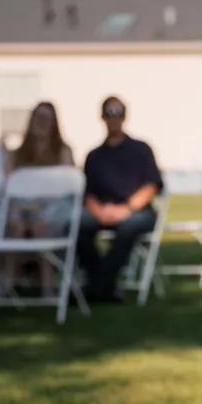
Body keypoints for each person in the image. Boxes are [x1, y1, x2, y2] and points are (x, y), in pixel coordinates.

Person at [77, 96, 162, 303]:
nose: (113, 118)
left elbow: (151, 186)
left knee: (129, 227)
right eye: (109, 113)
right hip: (101, 210)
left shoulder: (141, 149)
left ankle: (95, 286)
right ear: (102, 117)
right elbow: (87, 194)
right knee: (76, 225)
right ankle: (105, 287)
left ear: (125, 117)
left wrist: (126, 209)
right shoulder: (94, 155)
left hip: (136, 211)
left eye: (118, 113)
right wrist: (99, 210)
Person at [4, 101, 75, 295]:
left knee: (41, 224)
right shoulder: (17, 154)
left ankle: (47, 283)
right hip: (22, 206)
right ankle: (9, 282)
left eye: (47, 118)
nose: (42, 122)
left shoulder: (62, 151)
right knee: (13, 224)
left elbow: (65, 186)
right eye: (38, 117)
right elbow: (9, 184)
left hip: (53, 206)